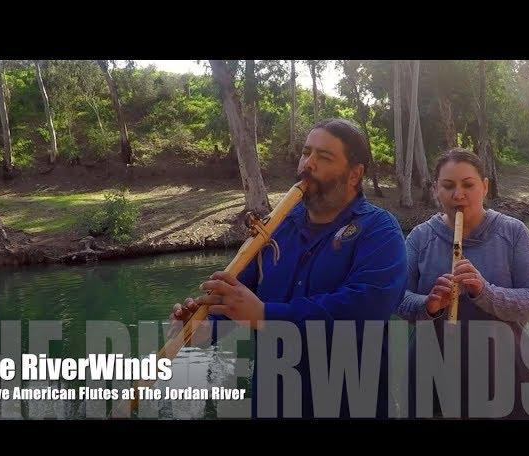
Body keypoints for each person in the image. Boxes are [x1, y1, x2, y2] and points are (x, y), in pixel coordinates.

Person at [168, 118, 408, 418]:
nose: (308, 164)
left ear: (355, 174)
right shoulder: (276, 226)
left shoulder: (380, 230)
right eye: (306, 152)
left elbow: (365, 310)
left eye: (324, 157)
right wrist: (205, 327)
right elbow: (240, 299)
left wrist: (267, 315)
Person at [397, 147, 529, 419]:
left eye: (468, 184)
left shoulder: (513, 232)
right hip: (432, 375)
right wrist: (428, 305)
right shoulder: (420, 237)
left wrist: (485, 292)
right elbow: (397, 298)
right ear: (435, 190)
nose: (458, 195)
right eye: (448, 186)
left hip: (504, 375)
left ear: (485, 186)